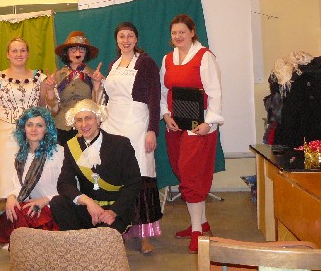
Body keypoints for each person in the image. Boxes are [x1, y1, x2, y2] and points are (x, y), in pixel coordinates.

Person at [96, 21, 162, 254]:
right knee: (117, 177)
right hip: (113, 122)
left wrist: (152, 130)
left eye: (130, 36)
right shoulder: (113, 65)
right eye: (122, 36)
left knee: (140, 174)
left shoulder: (146, 62)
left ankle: (145, 235)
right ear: (116, 40)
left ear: (136, 39)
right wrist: (100, 82)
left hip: (137, 123)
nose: (126, 40)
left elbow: (155, 98)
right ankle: (120, 229)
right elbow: (107, 98)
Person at [160, 14, 223, 253]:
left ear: (192, 33)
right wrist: (166, 115)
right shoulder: (167, 59)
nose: (178, 36)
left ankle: (197, 232)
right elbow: (163, 91)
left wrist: (209, 122)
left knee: (192, 175)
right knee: (183, 172)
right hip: (176, 125)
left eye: (182, 32)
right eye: (174, 33)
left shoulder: (204, 57)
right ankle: (201, 223)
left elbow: (215, 92)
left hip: (199, 126)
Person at [50, 99, 141, 235]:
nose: (84, 124)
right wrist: (88, 202)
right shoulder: (71, 146)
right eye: (79, 120)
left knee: (103, 239)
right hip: (89, 209)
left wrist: (113, 211)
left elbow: (134, 183)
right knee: (58, 202)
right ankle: (76, 242)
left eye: (88, 118)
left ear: (98, 119)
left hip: (114, 210)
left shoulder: (120, 144)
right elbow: (64, 183)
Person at [0, 106, 63, 243]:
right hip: (31, 208)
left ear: (47, 129)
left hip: (54, 208)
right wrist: (11, 197)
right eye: (29, 125)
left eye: (39, 125)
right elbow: (19, 186)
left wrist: (45, 200)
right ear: (24, 128)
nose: (34, 129)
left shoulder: (58, 153)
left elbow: (69, 188)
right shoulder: (22, 155)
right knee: (9, 210)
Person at [0, 37, 47, 197]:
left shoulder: (40, 78)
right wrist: (7, 120)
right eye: (14, 51)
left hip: (33, 133)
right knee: (7, 172)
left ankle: (31, 208)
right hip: (5, 133)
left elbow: (43, 106)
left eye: (22, 50)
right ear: (8, 54)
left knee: (33, 169)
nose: (19, 54)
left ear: (28, 54)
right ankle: (7, 207)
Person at [43, 31, 102, 146]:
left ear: (86, 53)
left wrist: (96, 85)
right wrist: (50, 90)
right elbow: (53, 111)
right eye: (73, 49)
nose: (78, 53)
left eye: (82, 49)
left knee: (86, 158)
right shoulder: (58, 76)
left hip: (86, 128)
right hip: (62, 129)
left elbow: (98, 108)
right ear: (67, 52)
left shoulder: (94, 75)